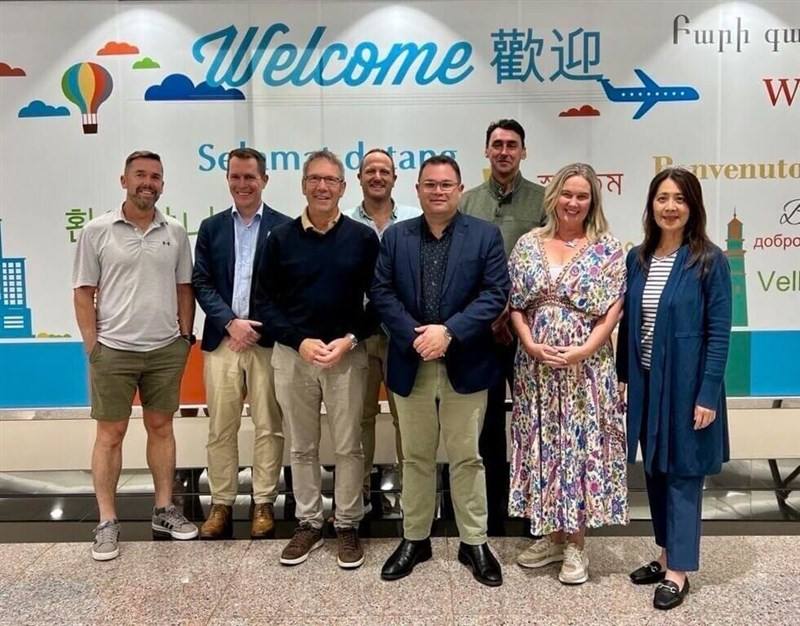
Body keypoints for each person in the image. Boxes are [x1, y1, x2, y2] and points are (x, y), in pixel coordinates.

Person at [372, 155, 510, 587]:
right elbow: (381, 292)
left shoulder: (484, 235)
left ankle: (474, 542)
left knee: (468, 457)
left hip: (465, 362)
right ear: (417, 190)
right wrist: (417, 336)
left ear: (460, 189)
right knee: (415, 457)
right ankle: (415, 538)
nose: (437, 191)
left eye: (446, 184)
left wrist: (448, 333)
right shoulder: (396, 237)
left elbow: (495, 293)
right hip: (411, 361)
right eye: (429, 184)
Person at [254, 149, 379, 569]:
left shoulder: (363, 239)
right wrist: (299, 341)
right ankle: (308, 522)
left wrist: (349, 339)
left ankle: (346, 523)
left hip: (346, 355)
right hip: (294, 357)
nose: (322, 187)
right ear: (303, 185)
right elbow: (265, 303)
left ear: (343, 188)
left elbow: (379, 301)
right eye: (314, 179)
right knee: (302, 445)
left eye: (330, 180)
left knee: (349, 445)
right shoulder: (280, 239)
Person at [72, 150, 197, 561]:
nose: (148, 182)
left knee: (162, 428)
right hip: (113, 350)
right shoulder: (97, 230)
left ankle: (163, 510)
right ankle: (107, 521)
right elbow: (83, 292)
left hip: (164, 350)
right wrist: (93, 346)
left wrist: (184, 337)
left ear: (162, 184)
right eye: (140, 175)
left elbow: (184, 287)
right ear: (123, 181)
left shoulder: (174, 231)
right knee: (110, 435)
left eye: (155, 176)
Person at [507, 162, 628, 585]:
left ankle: (576, 543)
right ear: (553, 196)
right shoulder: (528, 244)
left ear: (593, 202)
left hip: (586, 371)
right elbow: (516, 304)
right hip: (536, 369)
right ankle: (553, 536)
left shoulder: (608, 248)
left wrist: (584, 350)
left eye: (582, 196)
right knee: (545, 445)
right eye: (567, 193)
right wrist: (528, 342)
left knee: (577, 447)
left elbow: (614, 308)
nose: (573, 202)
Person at [617, 167, 731, 610]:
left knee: (683, 473)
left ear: (693, 206)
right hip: (647, 384)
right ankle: (665, 555)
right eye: (662, 198)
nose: (670, 207)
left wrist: (707, 394)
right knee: (656, 470)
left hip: (687, 387)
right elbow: (630, 324)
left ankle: (679, 572)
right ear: (651, 205)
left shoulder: (709, 260)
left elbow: (719, 333)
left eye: (679, 199)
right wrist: (624, 379)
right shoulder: (638, 258)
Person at [192, 147, 291, 539]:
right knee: (221, 426)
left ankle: (264, 502)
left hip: (266, 343)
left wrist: (255, 327)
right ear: (227, 179)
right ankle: (221, 503)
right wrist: (231, 323)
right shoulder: (211, 227)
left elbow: (286, 289)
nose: (242, 184)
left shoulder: (285, 228)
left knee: (269, 425)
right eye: (235, 176)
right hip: (223, 341)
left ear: (264, 179)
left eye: (250, 177)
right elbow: (202, 282)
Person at [459, 119, 545, 534]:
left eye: (512, 145)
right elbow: (459, 266)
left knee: (533, 421)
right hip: (481, 332)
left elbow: (549, 263)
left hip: (530, 332)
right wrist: (487, 314)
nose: (504, 151)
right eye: (497, 144)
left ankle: (535, 513)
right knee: (487, 424)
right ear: (486, 151)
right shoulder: (467, 202)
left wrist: (514, 312)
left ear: (523, 152)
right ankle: (491, 515)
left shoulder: (543, 201)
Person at [348, 148, 421, 513]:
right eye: (370, 171)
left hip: (402, 335)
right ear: (359, 178)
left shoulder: (414, 219)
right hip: (357, 337)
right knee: (357, 419)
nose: (377, 177)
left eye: (384, 171)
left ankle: (412, 497)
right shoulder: (345, 222)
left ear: (395, 177)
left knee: (406, 418)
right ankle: (357, 495)